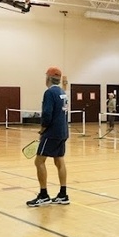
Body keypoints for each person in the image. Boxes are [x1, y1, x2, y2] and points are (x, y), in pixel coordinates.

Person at [27, 67, 70, 207]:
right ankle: (63, 195)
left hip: (51, 133)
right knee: (59, 161)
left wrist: (42, 129)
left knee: (39, 161)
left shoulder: (49, 93)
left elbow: (47, 114)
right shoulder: (63, 92)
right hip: (63, 132)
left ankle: (43, 195)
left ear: (48, 78)